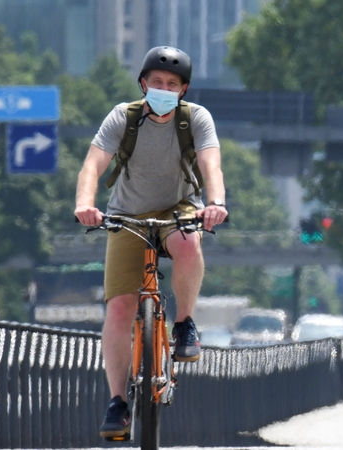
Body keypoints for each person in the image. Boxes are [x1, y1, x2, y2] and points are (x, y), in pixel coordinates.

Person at [74, 46, 228, 439]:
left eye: (171, 84)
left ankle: (183, 325)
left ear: (183, 90)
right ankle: (117, 402)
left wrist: (216, 203)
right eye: (156, 82)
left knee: (189, 245)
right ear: (143, 83)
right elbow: (93, 164)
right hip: (127, 214)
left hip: (180, 208)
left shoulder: (195, 120)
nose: (163, 89)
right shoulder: (122, 118)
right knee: (121, 308)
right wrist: (84, 205)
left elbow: (211, 163)